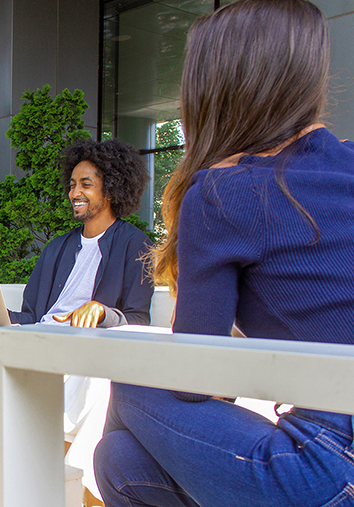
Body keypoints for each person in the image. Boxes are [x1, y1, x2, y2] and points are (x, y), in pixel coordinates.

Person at [93, 1, 354, 505]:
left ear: (212, 89)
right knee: (119, 459)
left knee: (130, 380)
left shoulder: (227, 190)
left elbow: (196, 380)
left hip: (331, 461)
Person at [0, 138, 154, 439]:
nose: (74, 193)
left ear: (112, 189)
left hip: (69, 345)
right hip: (34, 333)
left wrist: (103, 312)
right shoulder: (58, 247)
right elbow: (33, 315)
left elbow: (139, 320)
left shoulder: (135, 245)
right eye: (72, 185)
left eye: (86, 185)